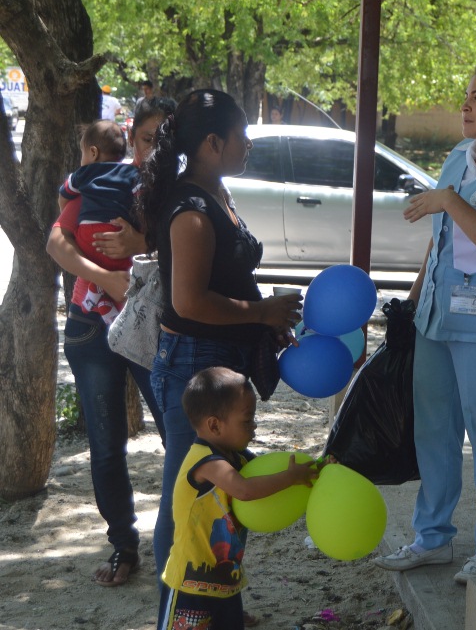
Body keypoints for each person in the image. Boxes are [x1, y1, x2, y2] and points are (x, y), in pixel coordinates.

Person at [137, 89, 302, 615]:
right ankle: (179, 614)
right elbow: (189, 302)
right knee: (186, 500)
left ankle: (212, 603)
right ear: (212, 143)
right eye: (242, 135)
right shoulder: (190, 210)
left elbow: (227, 278)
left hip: (219, 358)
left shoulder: (216, 193)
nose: (249, 143)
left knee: (219, 496)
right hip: (193, 362)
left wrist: (265, 318)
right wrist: (260, 314)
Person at [371, 63, 476, 585]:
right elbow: (438, 243)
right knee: (434, 433)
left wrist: (451, 202)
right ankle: (432, 538)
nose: (465, 105)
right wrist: (413, 305)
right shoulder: (459, 157)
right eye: (465, 95)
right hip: (435, 319)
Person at [46, 97, 176, 588]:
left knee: (177, 437)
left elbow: (197, 249)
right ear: (132, 139)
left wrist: (141, 245)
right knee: (105, 446)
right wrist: (107, 276)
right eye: (146, 140)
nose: (153, 151)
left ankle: (184, 548)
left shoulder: (178, 190)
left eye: (165, 141)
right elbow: (57, 242)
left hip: (151, 326)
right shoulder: (108, 180)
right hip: (92, 325)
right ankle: (124, 546)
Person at [160, 367, 317, 629]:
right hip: (190, 585)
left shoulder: (238, 456)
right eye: (247, 420)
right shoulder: (205, 461)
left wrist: (315, 469)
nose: (254, 427)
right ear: (214, 425)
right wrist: (291, 477)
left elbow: (270, 473)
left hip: (226, 582)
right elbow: (245, 490)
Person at [57, 119, 135, 324]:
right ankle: (101, 295)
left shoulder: (83, 174)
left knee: (96, 260)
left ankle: (98, 294)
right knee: (117, 260)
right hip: (117, 229)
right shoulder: (131, 173)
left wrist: (66, 208)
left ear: (93, 152)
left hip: (88, 234)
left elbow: (64, 193)